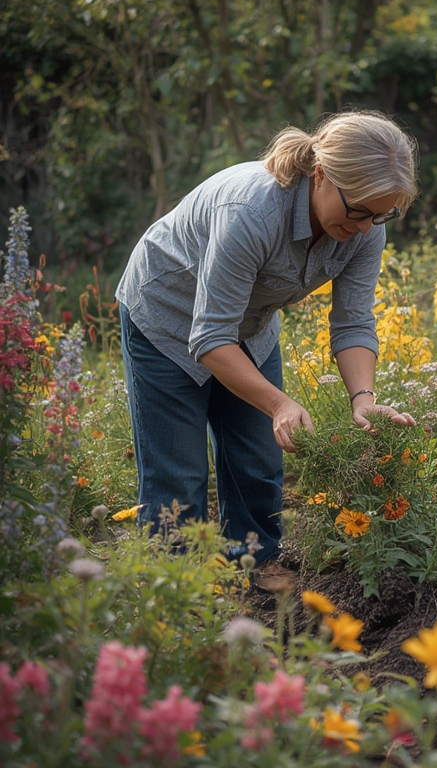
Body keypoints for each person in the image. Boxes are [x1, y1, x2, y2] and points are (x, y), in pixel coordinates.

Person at [116, 110, 418, 567]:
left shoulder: (364, 228)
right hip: (166, 321)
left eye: (380, 215)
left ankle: (253, 575)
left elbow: (353, 322)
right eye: (357, 210)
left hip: (247, 329)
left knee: (258, 466)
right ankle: (175, 600)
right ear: (320, 175)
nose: (363, 226)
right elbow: (211, 336)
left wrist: (363, 398)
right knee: (179, 476)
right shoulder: (250, 212)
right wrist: (278, 403)